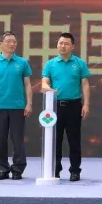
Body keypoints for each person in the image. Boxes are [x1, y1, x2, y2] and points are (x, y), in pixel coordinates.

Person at [0, 31, 33, 181]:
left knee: (18, 140)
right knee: (0, 140)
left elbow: (28, 84)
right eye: (9, 41)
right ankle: (2, 169)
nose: (12, 44)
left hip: (17, 106)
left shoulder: (22, 63)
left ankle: (17, 169)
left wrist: (29, 103)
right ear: (0, 44)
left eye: (14, 42)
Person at [41, 33, 90, 182]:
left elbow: (85, 85)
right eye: (60, 43)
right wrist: (47, 88)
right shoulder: (50, 64)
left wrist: (86, 104)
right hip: (55, 106)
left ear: (72, 46)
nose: (63, 46)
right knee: (55, 140)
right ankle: (55, 170)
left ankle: (75, 170)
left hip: (74, 105)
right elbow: (44, 82)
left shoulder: (79, 63)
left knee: (74, 140)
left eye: (66, 43)